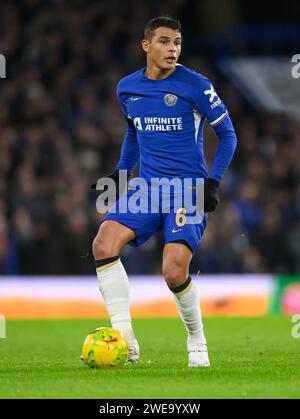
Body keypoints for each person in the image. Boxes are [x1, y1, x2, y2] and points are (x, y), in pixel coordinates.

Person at [92, 16, 237, 367]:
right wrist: (121, 175)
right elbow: (133, 134)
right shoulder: (127, 88)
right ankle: (125, 341)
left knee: (173, 272)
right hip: (148, 187)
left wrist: (213, 183)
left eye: (177, 43)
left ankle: (196, 339)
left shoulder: (196, 85)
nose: (172, 49)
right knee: (103, 244)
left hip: (186, 189)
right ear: (146, 46)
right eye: (165, 42)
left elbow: (228, 136)